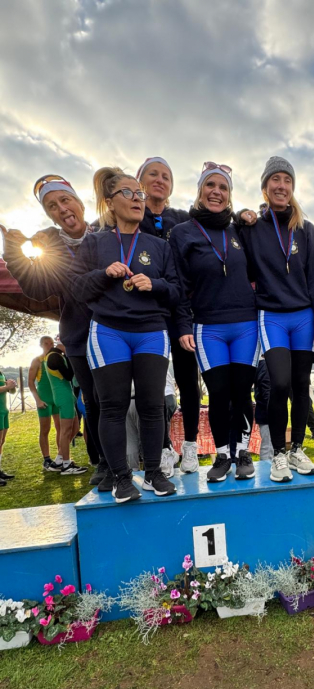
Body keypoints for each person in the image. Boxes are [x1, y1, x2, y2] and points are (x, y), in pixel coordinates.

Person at [71, 166, 181, 502]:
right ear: (110, 202)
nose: (137, 199)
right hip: (109, 331)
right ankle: (121, 478)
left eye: (140, 194)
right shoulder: (94, 242)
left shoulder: (158, 246)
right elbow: (77, 289)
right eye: (129, 193)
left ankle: (153, 473)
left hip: (151, 331)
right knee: (112, 407)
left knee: (153, 406)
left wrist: (155, 284)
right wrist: (104, 274)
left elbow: (176, 291)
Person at [1, 175, 108, 487]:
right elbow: (36, 288)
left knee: (122, 399)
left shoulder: (105, 233)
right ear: (49, 215)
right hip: (79, 337)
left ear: (80, 203)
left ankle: (139, 459)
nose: (61, 208)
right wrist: (14, 254)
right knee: (94, 403)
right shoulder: (54, 249)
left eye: (65, 200)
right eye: (52, 206)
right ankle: (103, 463)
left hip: (115, 331)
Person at [239, 156, 314, 482]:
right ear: (265, 187)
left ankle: (297, 450)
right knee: (279, 382)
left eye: (287, 180)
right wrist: (240, 214)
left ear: (293, 187)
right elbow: (230, 236)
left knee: (300, 385)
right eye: (275, 180)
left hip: (304, 316)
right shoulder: (252, 228)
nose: (281, 186)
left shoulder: (306, 229)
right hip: (272, 316)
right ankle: (278, 453)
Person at [171, 162, 258, 482]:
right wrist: (183, 325)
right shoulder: (182, 232)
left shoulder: (239, 230)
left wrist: (248, 215)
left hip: (246, 324)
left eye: (223, 187)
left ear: (230, 195)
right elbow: (178, 284)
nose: (216, 192)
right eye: (210, 185)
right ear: (199, 191)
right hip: (208, 327)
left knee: (242, 392)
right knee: (219, 393)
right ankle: (222, 455)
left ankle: (243, 452)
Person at [136, 156, 200, 475]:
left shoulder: (183, 219)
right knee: (154, 385)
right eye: (153, 174)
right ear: (140, 181)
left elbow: (213, 220)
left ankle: (190, 445)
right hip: (148, 312)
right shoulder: (133, 216)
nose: (160, 180)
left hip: (182, 312)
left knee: (188, 381)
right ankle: (164, 448)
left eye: (166, 176)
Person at [44, 341, 87, 474]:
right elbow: (68, 375)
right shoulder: (54, 356)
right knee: (65, 431)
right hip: (63, 397)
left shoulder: (56, 355)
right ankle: (67, 465)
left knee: (75, 428)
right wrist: (69, 356)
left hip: (67, 396)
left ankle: (59, 460)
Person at [28, 336, 62, 470]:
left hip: (56, 397)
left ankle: (61, 457)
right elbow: (30, 382)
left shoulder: (56, 358)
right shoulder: (37, 360)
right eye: (46, 343)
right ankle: (46, 459)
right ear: (41, 345)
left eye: (51, 343)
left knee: (61, 428)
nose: (49, 345)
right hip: (44, 399)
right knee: (45, 429)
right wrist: (38, 400)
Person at [0, 369, 16, 484]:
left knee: (1, 441)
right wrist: (7, 387)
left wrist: (12, 386)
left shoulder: (1, 373)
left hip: (3, 411)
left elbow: (11, 391)